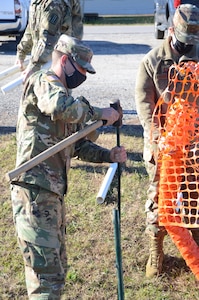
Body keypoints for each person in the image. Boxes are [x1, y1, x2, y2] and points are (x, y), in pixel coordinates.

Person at [10, 34, 127, 299]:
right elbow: (60, 107)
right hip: (33, 194)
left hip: (51, 197)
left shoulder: (67, 99)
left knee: (57, 272)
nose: (83, 76)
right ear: (65, 61)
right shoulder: (43, 83)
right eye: (81, 69)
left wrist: (109, 154)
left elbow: (76, 145)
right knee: (46, 278)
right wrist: (100, 114)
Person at [135, 3, 199, 279]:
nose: (188, 48)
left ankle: (195, 246)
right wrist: (160, 139)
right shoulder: (152, 61)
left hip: (194, 143)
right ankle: (155, 250)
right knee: (160, 199)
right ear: (171, 30)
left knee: (195, 197)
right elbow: (144, 104)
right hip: (163, 144)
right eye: (183, 41)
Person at [15, 0, 84, 78]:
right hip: (42, 58)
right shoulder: (37, 2)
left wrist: (34, 66)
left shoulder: (54, 4)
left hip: (56, 64)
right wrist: (21, 52)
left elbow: (49, 39)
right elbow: (32, 28)